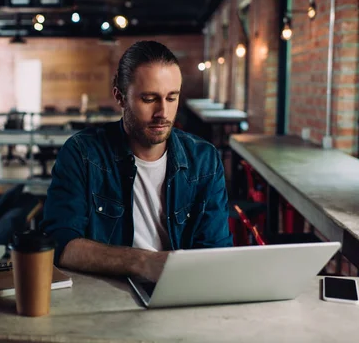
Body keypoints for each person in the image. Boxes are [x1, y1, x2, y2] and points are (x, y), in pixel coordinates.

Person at [40, 41, 232, 282]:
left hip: (181, 290)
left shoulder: (204, 160)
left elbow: (215, 251)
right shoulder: (83, 153)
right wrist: (143, 262)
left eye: (171, 98)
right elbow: (60, 243)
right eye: (149, 99)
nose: (163, 112)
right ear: (120, 97)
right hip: (105, 292)